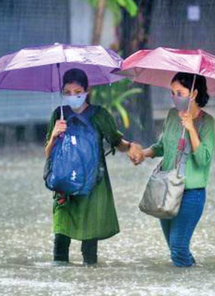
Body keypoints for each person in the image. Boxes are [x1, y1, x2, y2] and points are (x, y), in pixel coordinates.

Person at [45, 68, 142, 265]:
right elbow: (48, 154)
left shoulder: (100, 115)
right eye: (67, 92)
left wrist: (131, 147)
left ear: (87, 90)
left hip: (93, 187)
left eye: (77, 92)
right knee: (60, 240)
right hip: (64, 186)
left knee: (90, 248)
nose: (73, 96)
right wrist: (54, 134)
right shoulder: (59, 114)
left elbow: (116, 142)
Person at [130, 73, 215, 267]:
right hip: (167, 190)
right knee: (175, 249)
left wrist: (192, 129)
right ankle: (193, 281)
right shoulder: (171, 115)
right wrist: (143, 154)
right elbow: (162, 146)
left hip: (191, 194)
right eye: (172, 92)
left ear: (193, 93)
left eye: (180, 92)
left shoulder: (208, 123)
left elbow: (203, 160)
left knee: (178, 247)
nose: (175, 97)